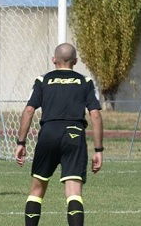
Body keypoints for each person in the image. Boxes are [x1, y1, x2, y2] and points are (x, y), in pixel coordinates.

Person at [14, 43, 103, 226]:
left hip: (48, 133)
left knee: (37, 189)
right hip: (74, 134)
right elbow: (95, 114)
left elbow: (29, 110)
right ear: (75, 61)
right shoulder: (85, 82)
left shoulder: (42, 80)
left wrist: (21, 142)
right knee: (74, 192)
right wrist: (98, 149)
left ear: (54, 59)